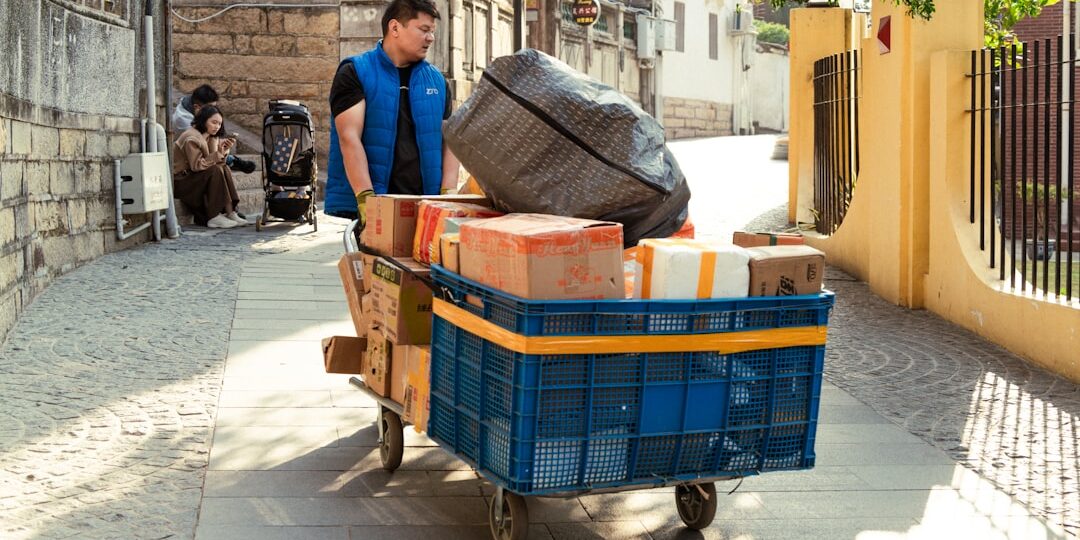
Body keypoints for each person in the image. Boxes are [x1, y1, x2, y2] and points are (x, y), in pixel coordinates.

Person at [326, 0, 461, 223]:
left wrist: (448, 193)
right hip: (378, 204)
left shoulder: (438, 81)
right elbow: (349, 137)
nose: (431, 38)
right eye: (424, 30)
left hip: (426, 207)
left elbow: (451, 141)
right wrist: (366, 198)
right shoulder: (355, 72)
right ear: (395, 28)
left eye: (433, 32)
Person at [172, 106, 249, 229]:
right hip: (182, 182)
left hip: (194, 178)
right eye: (213, 122)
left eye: (219, 123)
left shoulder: (210, 136)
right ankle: (213, 216)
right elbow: (197, 165)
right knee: (216, 170)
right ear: (203, 120)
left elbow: (216, 162)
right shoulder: (191, 137)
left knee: (223, 168)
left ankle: (230, 213)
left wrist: (223, 150)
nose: (217, 126)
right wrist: (217, 155)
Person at [173, 84, 257, 175]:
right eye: (210, 109)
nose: (214, 111)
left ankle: (230, 160)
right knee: (216, 170)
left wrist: (222, 148)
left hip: (203, 157)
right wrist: (219, 151)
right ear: (197, 107)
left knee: (222, 168)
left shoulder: (195, 106)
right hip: (187, 167)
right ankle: (230, 160)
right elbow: (201, 157)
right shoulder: (184, 122)